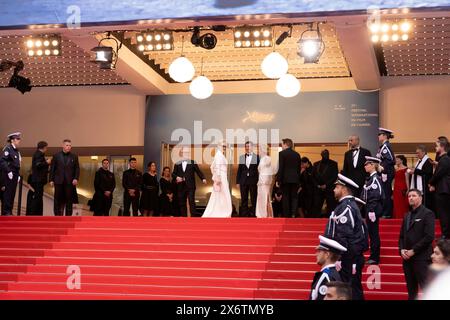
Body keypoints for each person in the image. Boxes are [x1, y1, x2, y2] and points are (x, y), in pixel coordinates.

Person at [324, 173, 367, 300]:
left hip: (347, 258)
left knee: (348, 290)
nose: (334, 190)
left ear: (343, 189)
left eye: (336, 187)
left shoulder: (346, 208)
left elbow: (343, 236)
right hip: (349, 257)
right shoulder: (345, 206)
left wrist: (338, 257)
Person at [398, 188, 435, 300]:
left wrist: (413, 251)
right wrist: (402, 250)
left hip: (422, 259)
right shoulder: (407, 215)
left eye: (414, 195)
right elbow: (401, 236)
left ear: (420, 197)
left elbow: (429, 236)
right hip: (407, 260)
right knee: (411, 291)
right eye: (409, 196)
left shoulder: (428, 213)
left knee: (427, 289)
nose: (411, 198)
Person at [361, 156, 385, 265]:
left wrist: (371, 210)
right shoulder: (371, 178)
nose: (365, 166)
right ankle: (373, 256)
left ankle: (375, 258)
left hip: (373, 209)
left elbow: (376, 195)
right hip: (370, 208)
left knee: (374, 234)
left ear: (373, 165)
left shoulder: (375, 178)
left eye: (367, 164)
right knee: (371, 233)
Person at [310, 235, 346, 300]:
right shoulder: (334, 273)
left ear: (327, 254)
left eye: (319, 251)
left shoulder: (326, 276)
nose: (316, 254)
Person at [49, 139, 80, 216]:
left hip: (69, 182)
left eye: (70, 145)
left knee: (69, 199)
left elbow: (77, 168)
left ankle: (68, 216)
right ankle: (57, 215)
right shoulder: (56, 156)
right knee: (57, 199)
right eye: (67, 145)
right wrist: (51, 179)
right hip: (58, 181)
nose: (69, 147)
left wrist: (76, 178)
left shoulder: (74, 156)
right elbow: (52, 168)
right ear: (63, 145)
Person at [173, 146, 206, 217]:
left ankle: (193, 217)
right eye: (185, 152)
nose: (186, 153)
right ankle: (184, 218)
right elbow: (173, 174)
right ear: (181, 152)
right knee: (182, 202)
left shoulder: (193, 162)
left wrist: (203, 178)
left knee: (191, 201)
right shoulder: (177, 163)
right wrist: (177, 177)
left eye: (188, 152)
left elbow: (198, 171)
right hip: (181, 186)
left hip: (190, 185)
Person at [203, 141, 232, 218]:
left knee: (221, 195)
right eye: (223, 146)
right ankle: (223, 212)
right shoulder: (219, 155)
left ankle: (221, 212)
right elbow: (217, 167)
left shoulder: (220, 155)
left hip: (222, 176)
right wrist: (218, 176)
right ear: (218, 146)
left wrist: (215, 175)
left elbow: (212, 167)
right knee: (224, 194)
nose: (224, 148)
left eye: (225, 147)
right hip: (221, 177)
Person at [429, 137, 450, 239]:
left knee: (443, 214)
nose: (435, 147)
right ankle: (445, 234)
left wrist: (431, 183)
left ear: (442, 147)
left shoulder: (445, 159)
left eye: (437, 145)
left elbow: (438, 174)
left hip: (443, 190)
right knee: (443, 213)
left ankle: (445, 235)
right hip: (442, 189)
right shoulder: (443, 159)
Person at [275, 138, 301, 218]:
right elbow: (298, 168)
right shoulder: (297, 154)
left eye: (282, 144)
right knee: (294, 197)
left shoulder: (282, 154)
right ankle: (293, 214)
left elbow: (281, 168)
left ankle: (286, 215)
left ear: (286, 144)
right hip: (295, 179)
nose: (281, 146)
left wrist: (278, 180)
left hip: (285, 179)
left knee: (285, 197)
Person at [0, 132, 22, 215]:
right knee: (8, 194)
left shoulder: (16, 151)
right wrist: (8, 171)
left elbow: (17, 164)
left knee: (12, 193)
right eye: (17, 139)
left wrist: (18, 174)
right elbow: (2, 161)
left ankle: (9, 211)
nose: (19, 140)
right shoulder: (8, 149)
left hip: (15, 175)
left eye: (19, 139)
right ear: (12, 140)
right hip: (8, 174)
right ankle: (6, 212)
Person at [312, 149, 338, 217]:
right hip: (318, 189)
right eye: (323, 153)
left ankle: (331, 221)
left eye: (326, 153)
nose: (325, 155)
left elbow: (334, 176)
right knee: (316, 207)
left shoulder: (334, 164)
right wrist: (317, 185)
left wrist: (326, 185)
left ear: (328, 154)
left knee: (331, 207)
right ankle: (316, 222)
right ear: (321, 155)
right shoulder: (316, 164)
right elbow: (313, 177)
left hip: (329, 189)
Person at [26, 141, 50, 215]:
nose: (47, 149)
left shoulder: (38, 154)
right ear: (44, 147)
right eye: (46, 147)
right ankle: (35, 214)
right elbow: (38, 165)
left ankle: (37, 214)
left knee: (39, 197)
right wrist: (47, 162)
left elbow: (39, 167)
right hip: (38, 180)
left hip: (38, 180)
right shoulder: (38, 154)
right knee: (37, 198)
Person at [236, 141, 259, 217]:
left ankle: (254, 214)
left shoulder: (257, 157)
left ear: (252, 147)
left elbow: (259, 169)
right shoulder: (242, 157)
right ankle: (244, 215)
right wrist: (237, 182)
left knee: (254, 198)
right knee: (244, 199)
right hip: (243, 180)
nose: (247, 148)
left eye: (249, 146)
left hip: (253, 181)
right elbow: (239, 170)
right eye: (246, 146)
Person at [376, 128, 395, 218]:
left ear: (384, 136)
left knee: (386, 193)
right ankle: (385, 212)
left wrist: (382, 167)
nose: (378, 136)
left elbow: (391, 160)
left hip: (386, 173)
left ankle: (387, 213)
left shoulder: (386, 146)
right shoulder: (383, 146)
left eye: (380, 134)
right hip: (384, 173)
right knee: (384, 192)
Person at [408, 145, 434, 211]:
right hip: (418, 186)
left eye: (418, 153)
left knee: (425, 203)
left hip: (425, 186)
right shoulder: (419, 161)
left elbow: (428, 172)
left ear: (424, 152)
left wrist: (415, 171)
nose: (417, 155)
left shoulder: (428, 160)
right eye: (416, 153)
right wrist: (413, 171)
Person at [255, 144, 273, 218]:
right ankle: (262, 214)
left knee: (266, 198)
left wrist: (266, 181)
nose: (259, 150)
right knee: (262, 198)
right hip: (261, 181)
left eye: (260, 149)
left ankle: (267, 215)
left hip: (264, 182)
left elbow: (269, 171)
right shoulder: (262, 159)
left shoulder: (267, 158)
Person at [393, 155, 410, 219]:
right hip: (396, 188)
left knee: (402, 203)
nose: (396, 160)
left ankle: (403, 217)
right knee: (396, 203)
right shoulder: (396, 169)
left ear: (401, 160)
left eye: (397, 159)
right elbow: (394, 180)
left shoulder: (406, 169)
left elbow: (407, 179)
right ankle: (397, 217)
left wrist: (408, 189)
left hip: (402, 188)